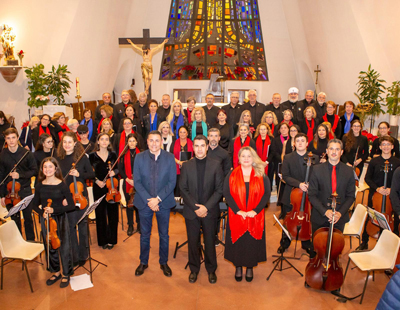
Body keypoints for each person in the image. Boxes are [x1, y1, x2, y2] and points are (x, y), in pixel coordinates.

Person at [179, 135, 224, 284]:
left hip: (209, 211)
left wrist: (206, 207)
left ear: (207, 147)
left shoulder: (216, 165)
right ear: (193, 148)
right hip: (191, 211)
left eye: (202, 146)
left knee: (210, 241)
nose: (199, 149)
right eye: (196, 146)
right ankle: (194, 269)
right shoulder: (186, 165)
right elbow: (183, 189)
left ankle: (211, 270)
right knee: (193, 242)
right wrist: (195, 207)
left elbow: (219, 190)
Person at [223, 147, 270, 282]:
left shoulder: (261, 174)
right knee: (238, 243)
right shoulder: (232, 174)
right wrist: (238, 211)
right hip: (237, 215)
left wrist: (255, 211)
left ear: (253, 157)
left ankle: (249, 267)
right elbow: (227, 193)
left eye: (249, 156)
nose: (246, 159)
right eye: (243, 156)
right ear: (239, 158)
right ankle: (238, 267)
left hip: (255, 215)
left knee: (251, 243)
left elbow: (266, 194)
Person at [133, 131, 176, 277]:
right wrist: (150, 200)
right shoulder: (139, 157)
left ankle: (163, 262)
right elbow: (137, 182)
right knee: (145, 234)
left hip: (163, 203)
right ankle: (143, 262)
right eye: (151, 140)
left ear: (162, 142)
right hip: (144, 203)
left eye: (157, 140)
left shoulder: (170, 158)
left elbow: (172, 182)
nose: (154, 143)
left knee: (164, 235)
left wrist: (157, 199)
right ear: (147, 141)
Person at [31, 157, 75, 288]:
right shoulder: (39, 185)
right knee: (50, 247)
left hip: (60, 218)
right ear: (42, 169)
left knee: (64, 246)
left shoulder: (62, 185)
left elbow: (71, 205)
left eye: (50, 167)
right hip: (46, 221)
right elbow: (34, 205)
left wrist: (55, 209)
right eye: (45, 167)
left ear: (56, 168)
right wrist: (42, 213)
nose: (47, 169)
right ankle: (56, 272)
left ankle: (66, 273)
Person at [56, 131, 95, 266]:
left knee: (83, 226)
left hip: (81, 196)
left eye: (69, 142)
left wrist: (80, 174)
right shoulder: (58, 158)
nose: (67, 145)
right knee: (70, 227)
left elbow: (91, 174)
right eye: (64, 142)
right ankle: (74, 256)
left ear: (75, 143)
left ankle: (84, 255)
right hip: (66, 198)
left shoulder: (82, 157)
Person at [278, 133, 319, 256]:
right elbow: (285, 176)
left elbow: (318, 176)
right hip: (291, 195)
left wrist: (310, 185)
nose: (300, 143)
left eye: (303, 141)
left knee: (307, 219)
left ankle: (306, 243)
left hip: (309, 194)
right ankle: (284, 243)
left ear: (307, 143)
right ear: (294, 144)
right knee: (287, 219)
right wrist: (299, 184)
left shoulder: (315, 158)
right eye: (298, 141)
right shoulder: (288, 157)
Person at [357, 136, 400, 250]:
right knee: (370, 216)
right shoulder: (374, 161)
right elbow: (367, 178)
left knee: (395, 217)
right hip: (375, 194)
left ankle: (392, 244)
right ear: (380, 147)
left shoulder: (397, 162)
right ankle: (364, 241)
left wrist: (391, 189)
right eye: (383, 145)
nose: (386, 147)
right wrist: (377, 189)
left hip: (392, 195)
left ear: (392, 147)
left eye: (388, 144)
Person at [308, 139, 355, 235]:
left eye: (337, 149)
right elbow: (312, 195)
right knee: (319, 248)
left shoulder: (349, 171)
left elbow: (351, 196)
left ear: (341, 152)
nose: (334, 152)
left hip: (339, 218)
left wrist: (340, 213)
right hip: (320, 216)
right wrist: (325, 211)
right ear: (327, 151)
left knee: (336, 248)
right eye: (331, 149)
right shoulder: (316, 169)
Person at [0, 128, 38, 240]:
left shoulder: (26, 153)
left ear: (17, 138)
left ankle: (31, 241)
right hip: (9, 192)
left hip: (25, 189)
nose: (11, 141)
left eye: (13, 137)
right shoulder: (2, 155)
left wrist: (20, 175)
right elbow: (1, 176)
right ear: (5, 140)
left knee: (28, 219)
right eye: (8, 138)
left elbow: (34, 170)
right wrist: (2, 195)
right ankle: (18, 241)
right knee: (14, 220)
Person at [89, 133, 119, 249]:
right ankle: (103, 240)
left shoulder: (113, 155)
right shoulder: (92, 156)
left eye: (107, 139)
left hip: (111, 187)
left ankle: (112, 240)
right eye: (102, 139)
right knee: (100, 214)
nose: (104, 141)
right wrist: (96, 181)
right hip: (98, 187)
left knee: (112, 214)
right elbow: (89, 172)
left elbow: (117, 168)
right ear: (98, 141)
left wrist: (114, 173)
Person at [118, 133, 141, 236]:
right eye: (129, 141)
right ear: (127, 142)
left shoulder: (141, 154)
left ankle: (140, 225)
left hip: (139, 183)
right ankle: (130, 225)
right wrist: (127, 179)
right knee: (129, 204)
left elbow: (144, 168)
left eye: (133, 141)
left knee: (139, 205)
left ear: (136, 142)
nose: (131, 143)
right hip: (127, 182)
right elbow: (120, 169)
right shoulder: (123, 154)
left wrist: (136, 179)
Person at [267, 123, 290, 194]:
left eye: (285, 128)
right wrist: (282, 160)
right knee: (279, 181)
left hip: (290, 163)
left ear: (288, 129)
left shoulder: (292, 139)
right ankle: (280, 200)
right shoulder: (275, 140)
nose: (283, 129)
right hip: (279, 163)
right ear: (279, 130)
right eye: (281, 128)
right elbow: (274, 151)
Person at [172, 126, 193, 196]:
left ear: (187, 133)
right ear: (178, 133)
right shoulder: (174, 143)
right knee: (178, 185)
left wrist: (188, 162)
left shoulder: (192, 143)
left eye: (184, 132)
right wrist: (179, 162)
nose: (182, 134)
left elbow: (195, 156)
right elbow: (171, 155)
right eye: (181, 132)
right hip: (177, 167)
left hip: (189, 168)